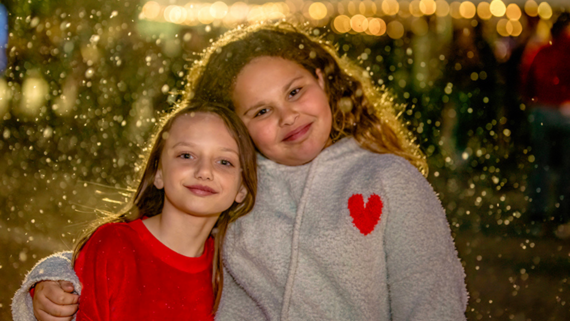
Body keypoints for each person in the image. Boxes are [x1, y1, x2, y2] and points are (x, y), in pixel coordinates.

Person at [14, 22, 467, 320]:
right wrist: (51, 282)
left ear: (323, 80)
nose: (288, 116)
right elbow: (142, 247)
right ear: (237, 127)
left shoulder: (389, 182)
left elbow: (434, 304)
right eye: (261, 110)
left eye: (295, 91)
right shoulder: (236, 186)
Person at [12, 102, 257, 320]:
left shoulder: (230, 275)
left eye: (224, 162)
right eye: (186, 155)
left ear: (242, 188)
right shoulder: (114, 245)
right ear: (158, 173)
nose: (204, 171)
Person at [522, 12, 570, 236]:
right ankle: (562, 216)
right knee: (566, 169)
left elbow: (527, 81)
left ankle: (537, 215)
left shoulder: (542, 52)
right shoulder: (565, 52)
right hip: (565, 113)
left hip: (541, 112)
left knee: (540, 165)